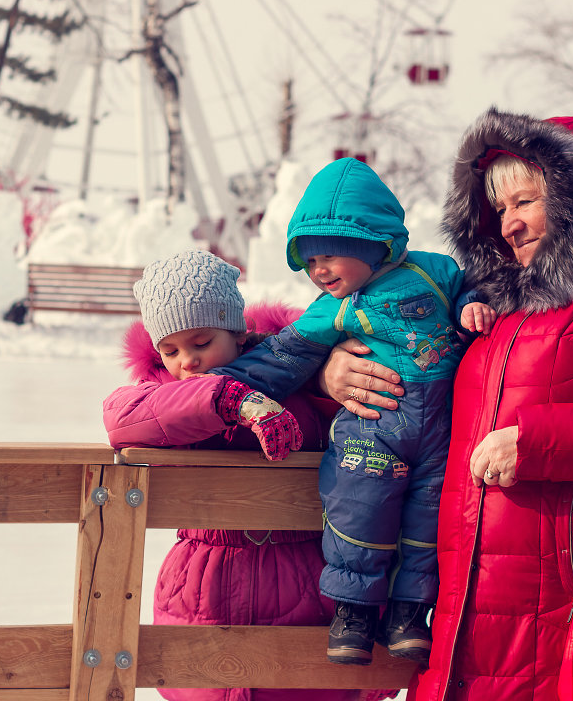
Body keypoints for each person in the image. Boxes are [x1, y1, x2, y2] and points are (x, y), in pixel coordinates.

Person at [320, 108, 573, 701]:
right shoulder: (489, 313)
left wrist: (536, 442)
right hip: (468, 627)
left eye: (525, 201)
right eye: (498, 210)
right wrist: (334, 372)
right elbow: (408, 385)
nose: (508, 225)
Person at [208, 157, 495, 668]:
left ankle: (410, 614)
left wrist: (473, 304)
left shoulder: (434, 271)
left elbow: (470, 288)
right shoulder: (335, 308)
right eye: (309, 260)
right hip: (372, 433)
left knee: (429, 525)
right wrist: (217, 388)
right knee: (358, 509)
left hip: (444, 437)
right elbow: (284, 355)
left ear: (372, 243)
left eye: (329, 256)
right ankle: (354, 612)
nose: (317, 271)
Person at [102, 249, 384, 701]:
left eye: (201, 342)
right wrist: (229, 400)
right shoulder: (161, 395)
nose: (187, 362)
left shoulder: (294, 380)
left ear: (236, 332)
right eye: (170, 350)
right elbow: (120, 417)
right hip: (204, 586)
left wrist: (322, 377)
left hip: (303, 582)